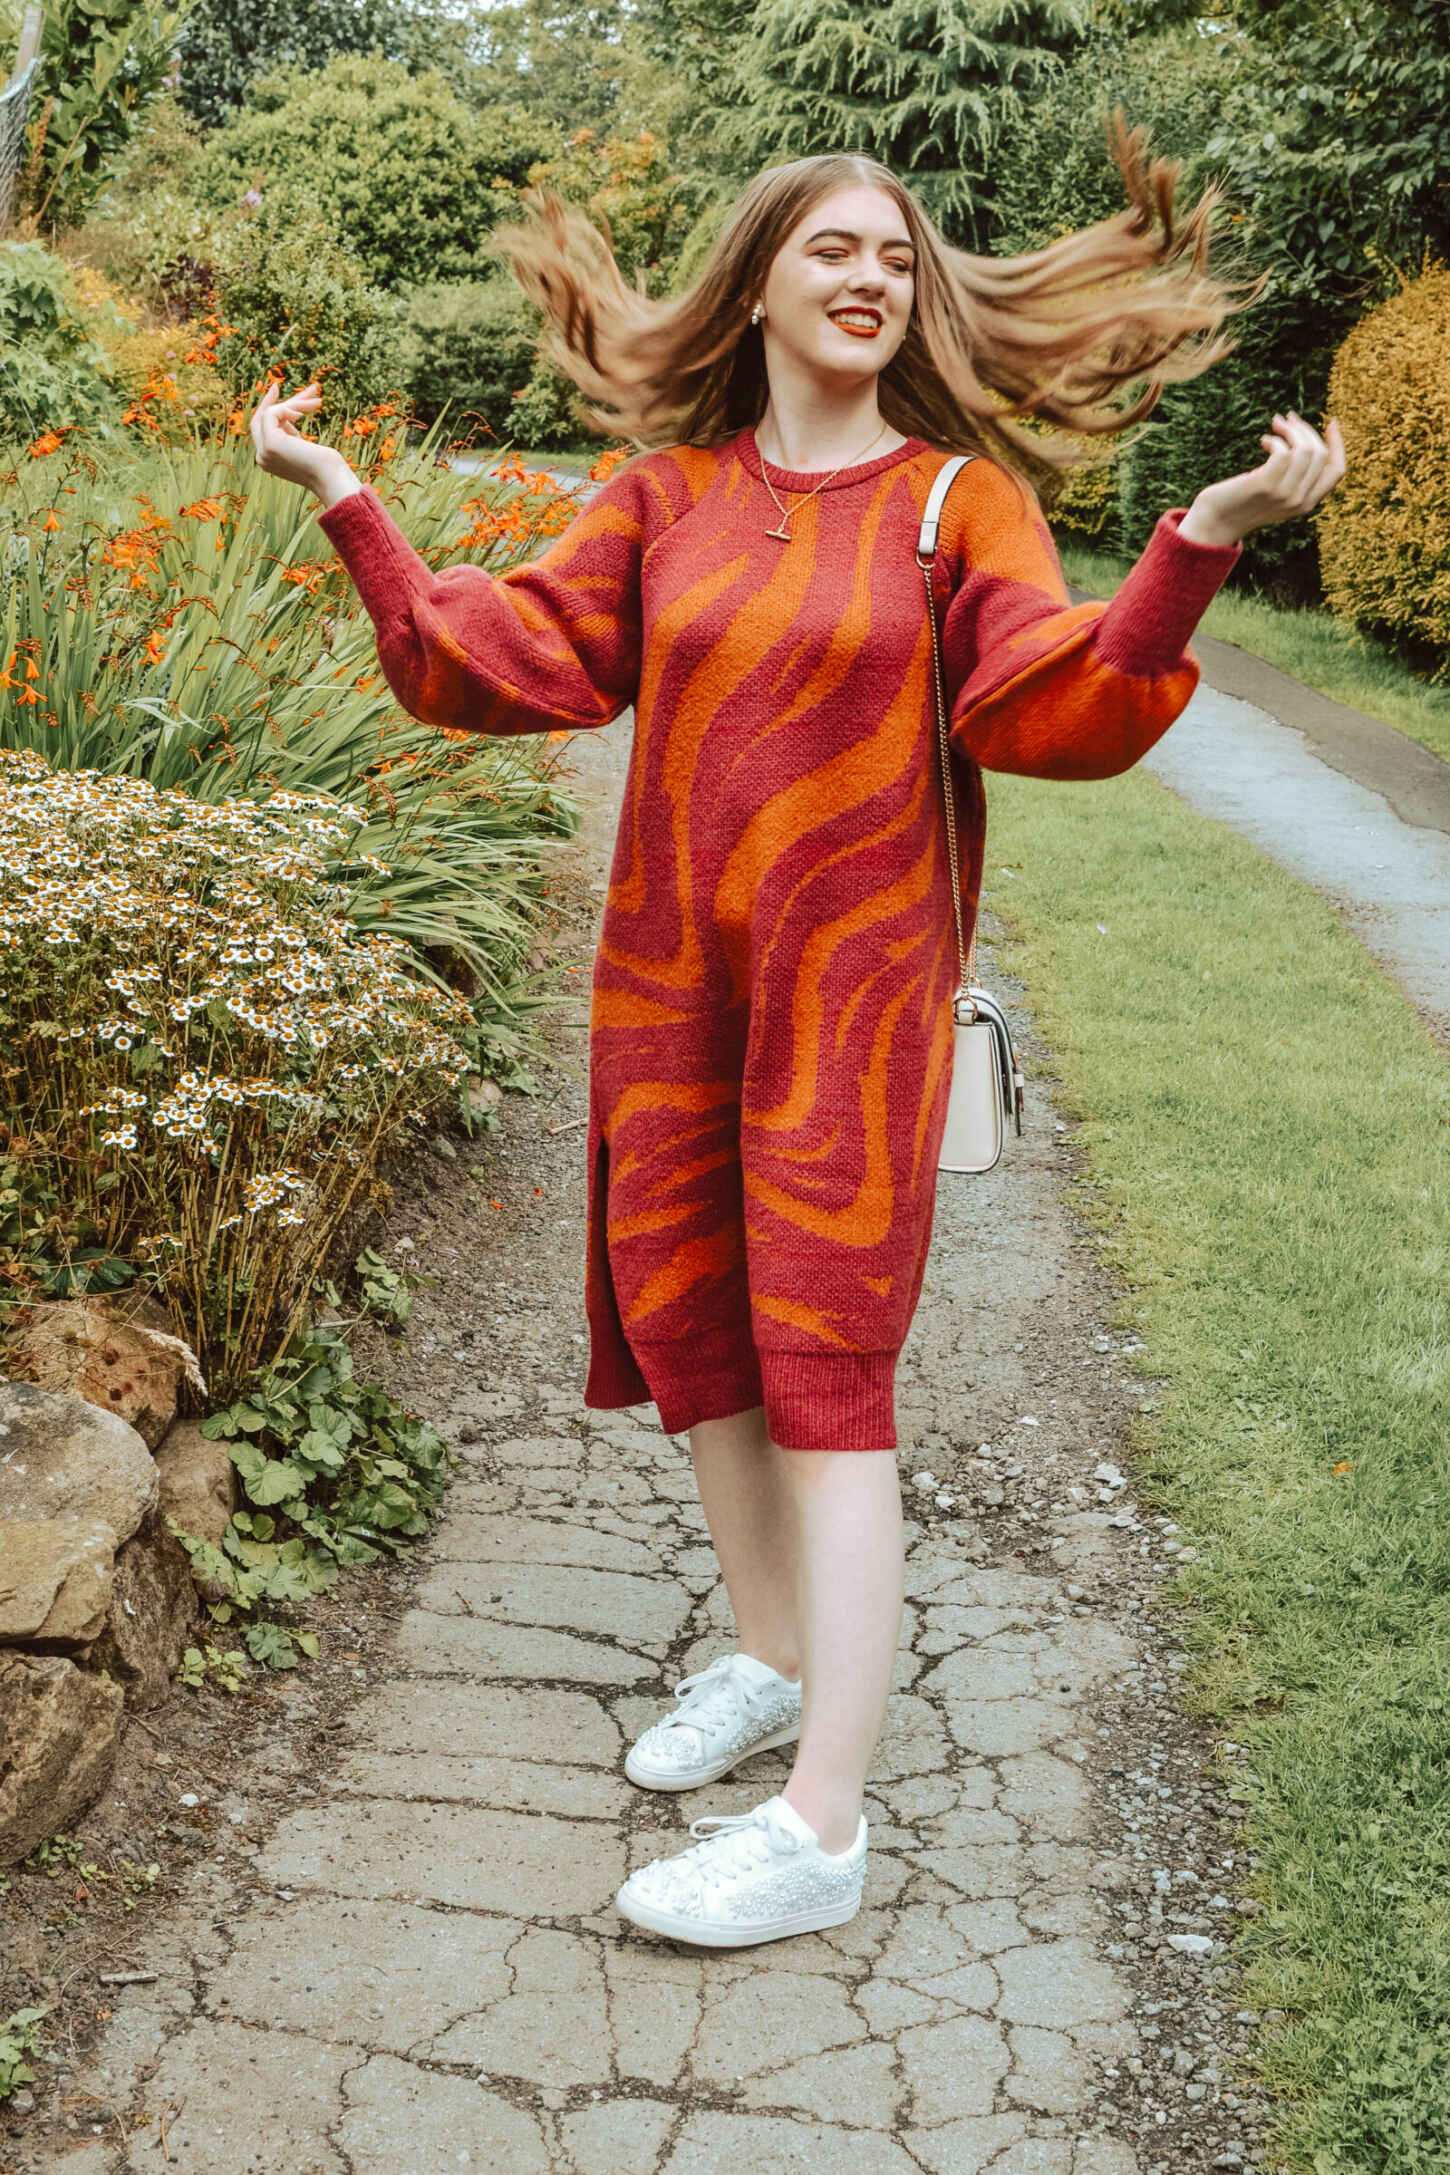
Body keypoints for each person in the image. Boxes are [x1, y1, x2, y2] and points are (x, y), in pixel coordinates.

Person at [250, 118, 1344, 1953]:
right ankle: (767, 1660)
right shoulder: (663, 497)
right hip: (666, 997)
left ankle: (820, 1826)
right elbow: (491, 662)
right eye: (833, 247)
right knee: (700, 1339)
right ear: (755, 279)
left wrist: (1197, 544)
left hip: (854, 1020)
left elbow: (1052, 708)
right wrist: (350, 502)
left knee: (828, 1381)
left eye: (896, 258)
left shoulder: (953, 504)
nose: (869, 278)